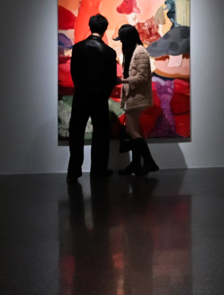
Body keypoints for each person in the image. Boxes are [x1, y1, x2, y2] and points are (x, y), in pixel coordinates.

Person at [67, 14, 119, 181]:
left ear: (90, 27)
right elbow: (111, 79)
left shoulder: (78, 48)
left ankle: (74, 170)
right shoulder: (109, 52)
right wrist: (104, 94)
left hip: (81, 95)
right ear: (104, 30)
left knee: (76, 133)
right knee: (101, 135)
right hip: (100, 98)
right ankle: (98, 170)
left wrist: (80, 88)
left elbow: (74, 72)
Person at [115, 24, 159, 176]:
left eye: (122, 39)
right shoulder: (133, 51)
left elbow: (141, 77)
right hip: (133, 96)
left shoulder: (140, 52)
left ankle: (149, 161)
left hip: (137, 96)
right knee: (134, 130)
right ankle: (136, 164)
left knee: (130, 130)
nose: (121, 42)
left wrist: (122, 81)